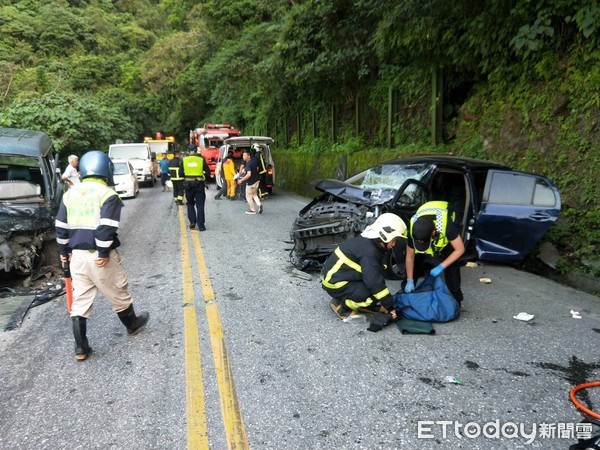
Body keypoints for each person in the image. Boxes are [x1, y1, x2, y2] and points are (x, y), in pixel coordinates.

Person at [55, 150, 149, 361]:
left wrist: (63, 253)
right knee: (118, 290)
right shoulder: (107, 195)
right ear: (106, 170)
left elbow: (60, 227)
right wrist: (103, 251)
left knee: (80, 300)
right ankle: (132, 324)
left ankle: (81, 348)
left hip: (77, 256)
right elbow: (106, 227)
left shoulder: (70, 194)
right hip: (99, 255)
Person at [321, 213, 407, 320]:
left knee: (376, 291)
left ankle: (349, 298)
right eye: (394, 240)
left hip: (340, 277)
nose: (394, 244)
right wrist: (390, 307)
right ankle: (342, 304)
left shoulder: (369, 241)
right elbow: (374, 281)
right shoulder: (369, 252)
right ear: (385, 235)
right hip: (336, 283)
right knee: (372, 297)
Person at [404, 200, 465, 302]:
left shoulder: (447, 226)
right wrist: (409, 280)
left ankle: (456, 299)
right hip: (427, 214)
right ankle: (407, 292)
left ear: (433, 233)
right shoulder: (413, 229)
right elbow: (409, 257)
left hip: (447, 212)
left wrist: (441, 266)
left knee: (452, 265)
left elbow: (460, 249)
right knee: (417, 260)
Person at [180, 148, 210, 230]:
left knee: (190, 203)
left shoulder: (184, 160)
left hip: (188, 185)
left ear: (188, 151)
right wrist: (203, 177)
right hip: (199, 184)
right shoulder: (201, 160)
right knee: (200, 205)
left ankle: (192, 221)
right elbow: (208, 173)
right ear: (196, 151)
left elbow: (180, 174)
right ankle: (201, 226)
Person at [237, 148, 262, 214]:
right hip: (256, 181)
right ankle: (259, 204)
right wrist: (243, 172)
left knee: (248, 196)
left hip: (251, 182)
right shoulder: (253, 161)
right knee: (254, 194)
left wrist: (241, 180)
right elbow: (253, 169)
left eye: (245, 155)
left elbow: (249, 174)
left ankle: (252, 210)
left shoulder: (248, 163)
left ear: (249, 156)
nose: (243, 157)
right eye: (243, 155)